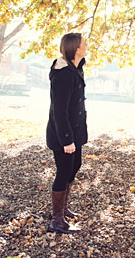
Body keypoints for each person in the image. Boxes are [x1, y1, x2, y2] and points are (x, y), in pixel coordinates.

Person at [46, 32, 88, 234]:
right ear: (76, 48)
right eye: (84, 43)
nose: (86, 45)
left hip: (75, 132)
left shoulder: (75, 68)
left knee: (75, 166)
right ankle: (56, 220)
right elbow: (59, 111)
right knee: (63, 172)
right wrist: (66, 140)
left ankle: (62, 209)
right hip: (63, 135)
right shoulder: (62, 74)